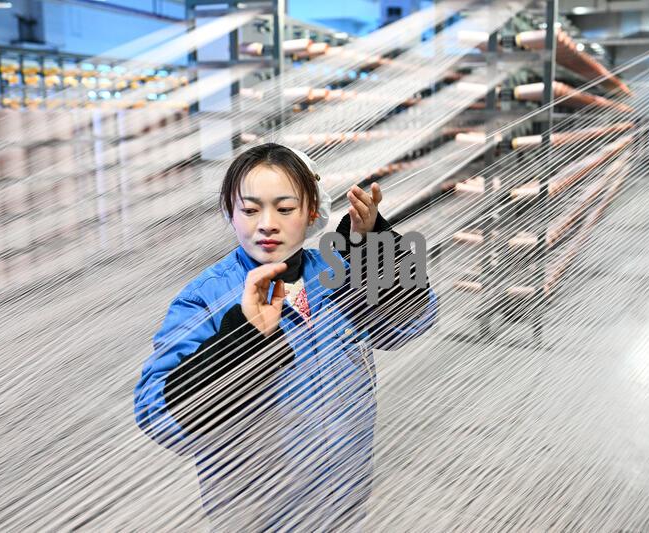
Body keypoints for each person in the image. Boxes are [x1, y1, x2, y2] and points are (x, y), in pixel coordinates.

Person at [133, 143, 439, 530]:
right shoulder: (207, 297)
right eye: (249, 209)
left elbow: (408, 324)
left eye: (284, 208)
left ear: (312, 211)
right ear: (229, 212)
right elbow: (158, 415)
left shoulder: (334, 275)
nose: (266, 224)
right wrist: (242, 338)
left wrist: (373, 249)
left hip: (343, 504)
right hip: (257, 515)